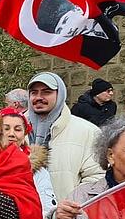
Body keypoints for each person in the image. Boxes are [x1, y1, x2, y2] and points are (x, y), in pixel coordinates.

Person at [26, 72, 104, 201]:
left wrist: (72, 205)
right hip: (19, 216)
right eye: (34, 92)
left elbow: (97, 177)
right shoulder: (13, 130)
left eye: (46, 92)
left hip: (66, 217)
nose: (38, 97)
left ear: (60, 94)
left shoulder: (87, 131)